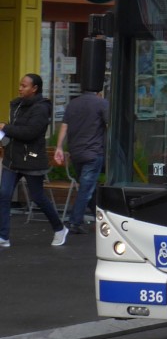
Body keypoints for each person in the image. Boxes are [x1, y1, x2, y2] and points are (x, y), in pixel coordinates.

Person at [0, 73, 68, 248]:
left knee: (38, 197)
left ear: (34, 88)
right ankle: (3, 236)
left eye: (24, 86)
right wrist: (5, 136)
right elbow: (14, 130)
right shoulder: (16, 104)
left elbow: (30, 133)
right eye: (20, 85)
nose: (20, 88)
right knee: (4, 195)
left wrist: (6, 128)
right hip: (12, 158)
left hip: (31, 159)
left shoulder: (41, 108)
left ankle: (60, 228)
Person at [54, 86, 109, 234]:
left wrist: (59, 147)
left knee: (88, 186)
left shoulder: (72, 104)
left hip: (76, 153)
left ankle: (103, 216)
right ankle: (74, 222)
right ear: (98, 92)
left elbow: (64, 127)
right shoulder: (102, 103)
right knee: (86, 189)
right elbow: (110, 125)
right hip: (93, 152)